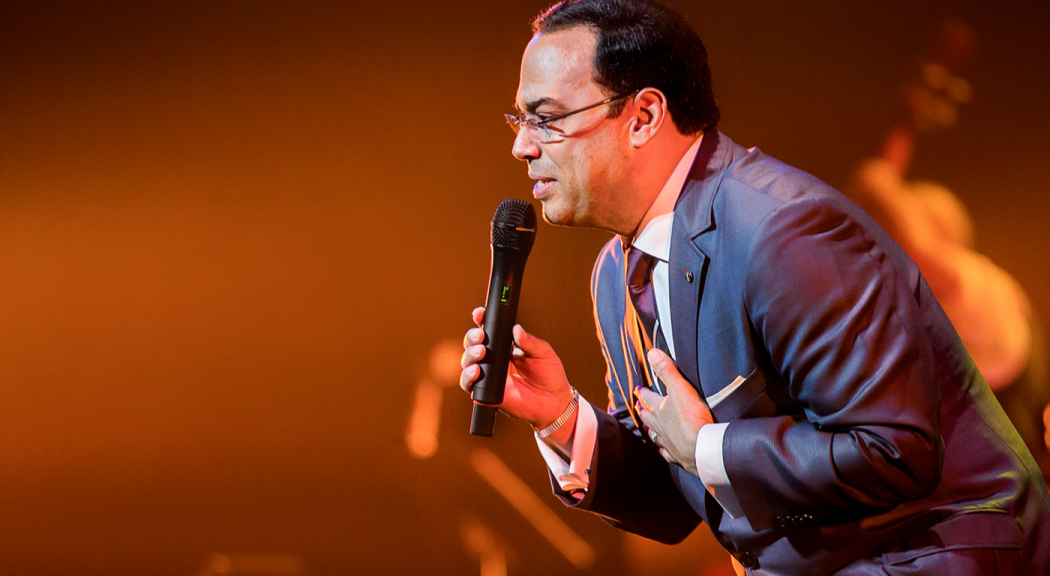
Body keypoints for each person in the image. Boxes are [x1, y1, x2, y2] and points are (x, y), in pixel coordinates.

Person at [459, 1, 1050, 573]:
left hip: (927, 555)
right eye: (519, 120)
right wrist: (560, 416)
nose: (522, 145)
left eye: (547, 118)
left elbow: (893, 451)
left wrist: (710, 447)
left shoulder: (783, 229)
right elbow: (678, 498)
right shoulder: (615, 273)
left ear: (643, 116)